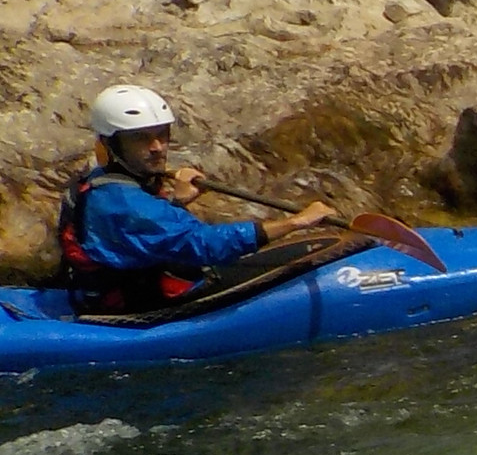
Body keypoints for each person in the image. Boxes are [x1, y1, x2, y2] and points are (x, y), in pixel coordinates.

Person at [57, 85, 338, 314]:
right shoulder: (123, 203)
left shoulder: (101, 179)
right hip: (134, 305)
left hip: (119, 285)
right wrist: (295, 223)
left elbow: (144, 235)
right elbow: (205, 244)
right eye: (140, 139)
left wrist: (177, 203)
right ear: (111, 146)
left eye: (162, 135)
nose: (157, 148)